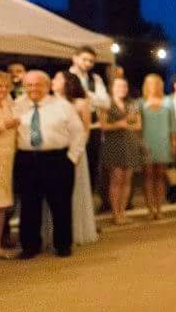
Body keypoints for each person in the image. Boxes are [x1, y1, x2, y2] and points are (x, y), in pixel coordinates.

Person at [12, 71, 86, 259]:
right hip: (27, 159)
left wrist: (72, 157)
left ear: (47, 86)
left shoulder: (62, 106)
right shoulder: (17, 106)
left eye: (37, 85)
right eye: (29, 85)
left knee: (61, 205)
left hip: (57, 160)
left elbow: (78, 133)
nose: (33, 89)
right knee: (29, 205)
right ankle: (30, 246)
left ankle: (63, 245)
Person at [41, 72, 97, 248]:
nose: (53, 81)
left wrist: (75, 154)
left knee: (74, 193)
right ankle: (51, 233)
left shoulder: (80, 103)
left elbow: (85, 130)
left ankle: (77, 231)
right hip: (53, 154)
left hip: (74, 153)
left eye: (57, 78)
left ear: (67, 82)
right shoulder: (47, 101)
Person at [69, 46, 111, 198]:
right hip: (72, 128)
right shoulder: (66, 76)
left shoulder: (96, 79)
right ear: (75, 58)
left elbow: (106, 103)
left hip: (93, 127)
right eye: (84, 59)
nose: (87, 63)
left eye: (91, 61)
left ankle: (88, 202)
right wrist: (93, 98)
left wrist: (87, 95)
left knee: (92, 166)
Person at [100, 78, 142, 226]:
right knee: (116, 180)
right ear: (112, 87)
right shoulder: (107, 104)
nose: (122, 88)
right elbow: (103, 126)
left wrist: (128, 125)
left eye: (124, 85)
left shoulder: (131, 104)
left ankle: (123, 212)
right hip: (114, 144)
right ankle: (115, 214)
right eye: (119, 86)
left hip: (130, 143)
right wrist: (119, 124)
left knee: (127, 180)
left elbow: (138, 125)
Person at [141, 74, 176, 220]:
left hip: (163, 142)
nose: (153, 86)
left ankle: (159, 208)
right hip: (146, 142)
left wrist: (173, 144)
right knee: (148, 176)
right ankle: (150, 209)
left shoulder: (168, 101)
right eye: (150, 83)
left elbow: (173, 125)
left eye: (156, 83)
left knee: (161, 176)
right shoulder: (141, 102)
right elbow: (139, 124)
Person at [0, 72, 19, 259]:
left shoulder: (8, 103)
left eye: (5, 86)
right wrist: (7, 124)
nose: (3, 90)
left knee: (2, 205)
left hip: (7, 160)